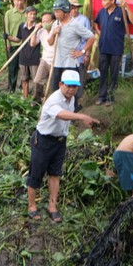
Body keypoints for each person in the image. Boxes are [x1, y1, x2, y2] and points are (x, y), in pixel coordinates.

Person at [27, 70, 99, 222]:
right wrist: (81, 116)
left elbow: (67, 115)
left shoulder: (71, 99)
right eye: (68, 86)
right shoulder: (54, 100)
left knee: (55, 174)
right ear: (60, 84)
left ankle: (52, 206)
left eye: (75, 86)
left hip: (60, 141)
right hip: (44, 141)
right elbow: (61, 114)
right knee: (36, 174)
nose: (71, 89)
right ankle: (31, 206)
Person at [94, 0, 133, 106]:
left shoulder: (120, 11)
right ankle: (101, 97)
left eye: (105, 0)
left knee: (114, 74)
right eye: (102, 0)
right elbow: (95, 23)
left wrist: (127, 7)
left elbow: (132, 21)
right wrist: (99, 32)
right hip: (103, 47)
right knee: (103, 72)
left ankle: (110, 98)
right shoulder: (102, 12)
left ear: (112, 1)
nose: (102, 3)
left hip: (116, 49)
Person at [47, 0, 95, 92]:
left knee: (69, 90)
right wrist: (53, 33)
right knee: (55, 90)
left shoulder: (75, 25)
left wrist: (82, 52)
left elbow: (92, 37)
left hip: (70, 64)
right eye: (55, 12)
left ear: (65, 12)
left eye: (58, 12)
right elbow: (50, 42)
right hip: (57, 63)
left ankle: (72, 106)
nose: (55, 14)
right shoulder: (55, 23)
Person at [68, 0, 92, 110]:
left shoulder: (83, 20)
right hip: (68, 57)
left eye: (76, 8)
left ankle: (76, 104)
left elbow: (89, 38)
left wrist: (86, 53)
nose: (74, 10)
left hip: (80, 55)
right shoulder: (65, 20)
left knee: (78, 79)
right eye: (72, 8)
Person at [13, 6, 41, 99]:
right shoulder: (22, 26)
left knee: (36, 80)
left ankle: (36, 98)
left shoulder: (38, 27)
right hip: (23, 56)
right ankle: (25, 98)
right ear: (26, 15)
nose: (33, 16)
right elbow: (18, 39)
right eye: (30, 14)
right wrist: (8, 37)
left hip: (34, 57)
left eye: (34, 14)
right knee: (24, 79)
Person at [3, 0, 26, 92]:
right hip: (13, 44)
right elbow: (6, 30)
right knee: (12, 68)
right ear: (14, 1)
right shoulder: (9, 13)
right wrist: (8, 43)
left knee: (25, 68)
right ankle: (11, 87)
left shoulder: (28, 13)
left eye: (21, 0)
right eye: (17, 0)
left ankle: (22, 88)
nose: (19, 3)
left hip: (26, 44)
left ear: (24, 1)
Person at [31, 12, 56, 103]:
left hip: (55, 61)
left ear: (52, 21)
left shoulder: (56, 31)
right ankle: (36, 101)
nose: (44, 23)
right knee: (37, 81)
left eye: (46, 21)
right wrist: (35, 31)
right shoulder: (41, 32)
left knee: (52, 85)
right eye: (43, 21)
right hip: (45, 60)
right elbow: (32, 44)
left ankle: (50, 102)